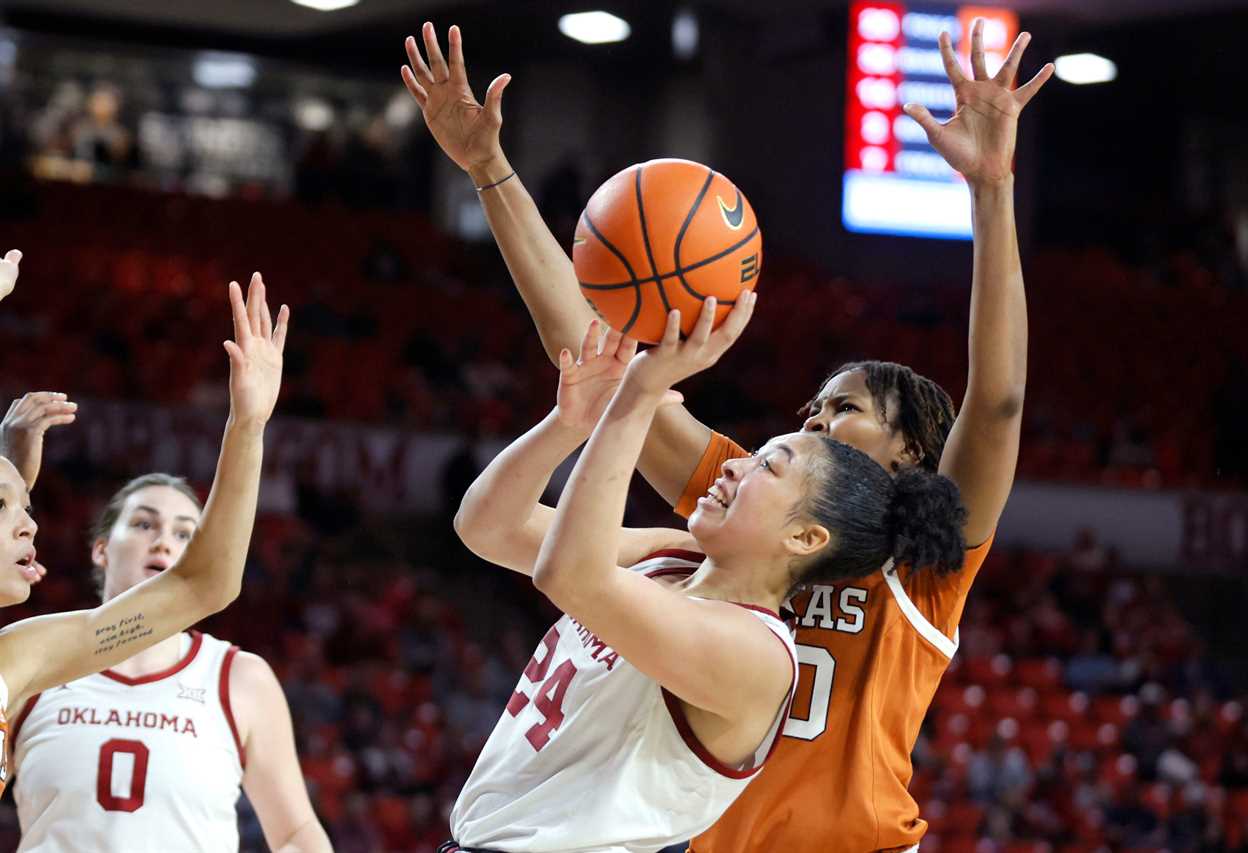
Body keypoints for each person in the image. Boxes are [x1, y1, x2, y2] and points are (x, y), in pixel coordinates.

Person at [402, 18, 1049, 851]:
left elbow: (997, 404)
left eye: (844, 408)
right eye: (809, 413)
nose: (811, 422)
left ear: (911, 454)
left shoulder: (925, 563)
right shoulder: (741, 496)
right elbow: (598, 368)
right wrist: (491, 171)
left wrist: (992, 190)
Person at [445, 309, 968, 853]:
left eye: (768, 467)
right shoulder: (668, 554)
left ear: (806, 538)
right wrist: (569, 422)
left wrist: (635, 399)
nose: (734, 467)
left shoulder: (758, 655)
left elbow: (571, 575)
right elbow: (488, 527)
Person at [0, 253, 286, 834]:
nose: (30, 524)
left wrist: (248, 426)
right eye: (7, 510)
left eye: (28, 508)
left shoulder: (20, 659)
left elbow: (204, 584)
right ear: (100, 549)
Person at [3, 461, 331, 851]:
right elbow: (210, 585)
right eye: (144, 524)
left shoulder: (237, 678)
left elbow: (297, 834)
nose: (163, 542)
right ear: (101, 549)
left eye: (186, 535)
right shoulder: (28, 663)